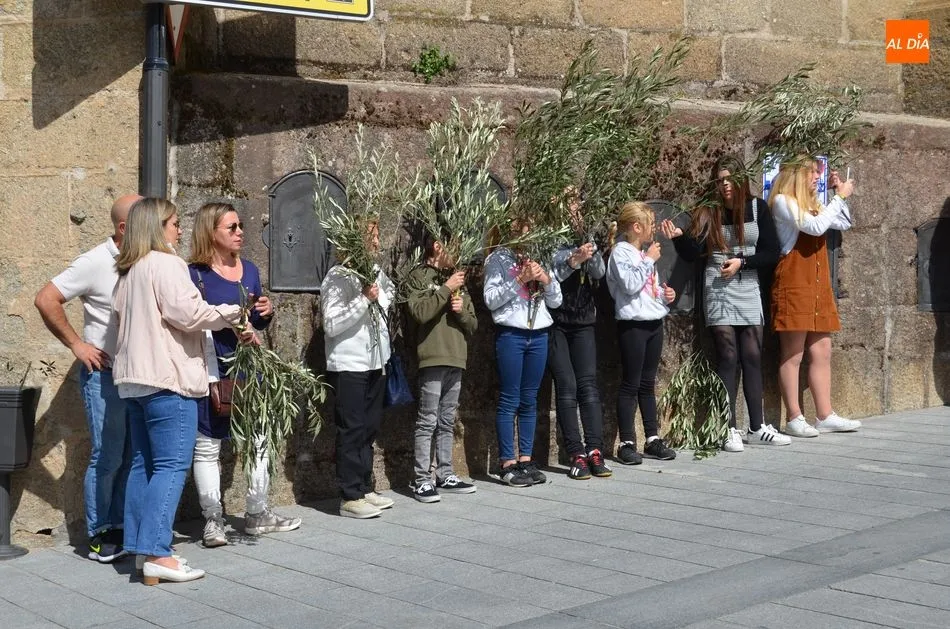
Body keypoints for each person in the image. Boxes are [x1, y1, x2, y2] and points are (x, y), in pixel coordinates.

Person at [112, 198, 245, 585]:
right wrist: (233, 313)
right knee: (171, 466)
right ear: (158, 227)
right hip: (168, 378)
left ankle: (142, 550)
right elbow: (189, 314)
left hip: (135, 382)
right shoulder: (166, 263)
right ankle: (158, 552)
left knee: (144, 465)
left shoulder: (129, 270)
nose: (180, 229)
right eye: (174, 223)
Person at [34, 193, 141, 563]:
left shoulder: (148, 258)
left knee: (133, 454)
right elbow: (46, 298)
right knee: (108, 455)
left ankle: (123, 525)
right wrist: (77, 345)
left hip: (140, 375)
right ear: (124, 228)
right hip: (105, 375)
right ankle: (100, 533)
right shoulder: (95, 261)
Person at [187, 203, 301, 546]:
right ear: (211, 233)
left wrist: (265, 310)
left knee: (259, 440)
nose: (240, 232)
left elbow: (256, 317)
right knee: (208, 446)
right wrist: (229, 321)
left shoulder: (249, 269)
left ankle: (257, 513)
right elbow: (188, 319)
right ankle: (213, 519)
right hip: (212, 369)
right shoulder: (194, 274)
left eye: (240, 226)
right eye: (232, 227)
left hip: (251, 369)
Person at [662, 156, 791, 451]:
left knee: (753, 355)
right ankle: (727, 428)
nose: (726, 185)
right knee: (728, 355)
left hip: (747, 284)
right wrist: (680, 238)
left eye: (731, 179)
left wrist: (742, 262)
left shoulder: (758, 208)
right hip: (718, 285)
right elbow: (694, 252)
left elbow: (772, 252)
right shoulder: (709, 210)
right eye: (721, 180)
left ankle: (757, 427)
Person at [769, 158, 861, 436]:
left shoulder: (813, 203)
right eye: (812, 174)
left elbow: (843, 222)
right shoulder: (783, 202)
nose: (817, 179)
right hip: (795, 282)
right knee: (793, 353)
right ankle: (794, 417)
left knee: (822, 351)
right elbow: (816, 227)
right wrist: (840, 198)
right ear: (797, 175)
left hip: (818, 284)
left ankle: (825, 414)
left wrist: (837, 195)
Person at [320, 219, 397, 518]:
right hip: (349, 364)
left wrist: (377, 295)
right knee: (351, 429)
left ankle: (364, 487)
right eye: (372, 236)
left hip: (376, 362)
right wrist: (363, 299)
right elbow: (331, 324)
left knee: (369, 427)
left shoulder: (376, 272)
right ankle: (349, 495)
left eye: (377, 236)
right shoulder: (337, 276)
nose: (377, 242)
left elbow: (388, 300)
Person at [483, 218, 562, 487]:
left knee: (530, 399)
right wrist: (520, 279)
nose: (528, 234)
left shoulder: (539, 256)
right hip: (512, 335)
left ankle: (526, 459)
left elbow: (556, 300)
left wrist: (545, 279)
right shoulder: (498, 259)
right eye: (524, 229)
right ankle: (507, 463)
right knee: (510, 398)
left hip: (538, 335)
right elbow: (491, 300)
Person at [405, 231, 478, 502]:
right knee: (427, 420)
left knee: (447, 420)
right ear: (437, 246)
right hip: (433, 357)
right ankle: (421, 479)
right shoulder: (418, 276)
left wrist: (461, 312)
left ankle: (445, 473)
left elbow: (473, 324)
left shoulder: (456, 279)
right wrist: (446, 288)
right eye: (453, 247)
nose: (456, 254)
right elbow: (420, 313)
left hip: (456, 358)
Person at [606, 202, 678, 464]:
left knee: (648, 383)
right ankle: (626, 442)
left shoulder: (643, 254)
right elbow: (629, 285)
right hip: (633, 325)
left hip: (653, 322)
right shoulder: (621, 252)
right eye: (651, 224)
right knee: (631, 383)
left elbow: (649, 289)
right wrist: (649, 260)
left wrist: (665, 295)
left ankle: (652, 438)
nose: (654, 228)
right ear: (637, 227)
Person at [548, 190, 611, 480]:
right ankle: (575, 453)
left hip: (584, 318)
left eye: (575, 201)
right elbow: (551, 275)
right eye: (567, 200)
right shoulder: (548, 235)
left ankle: (595, 451)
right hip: (557, 320)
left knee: (588, 386)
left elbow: (599, 272)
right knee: (567, 386)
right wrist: (572, 262)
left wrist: (589, 249)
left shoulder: (586, 234)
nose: (573, 206)